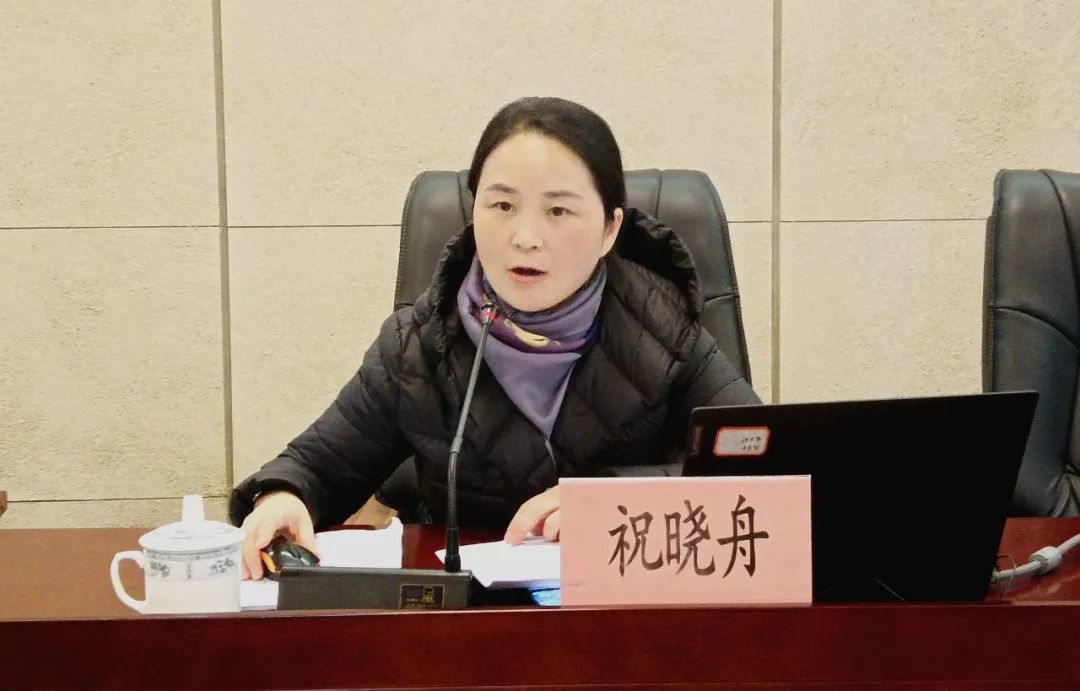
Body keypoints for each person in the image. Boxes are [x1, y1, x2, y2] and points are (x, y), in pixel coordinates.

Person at [230, 96, 760, 579]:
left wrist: (612, 501)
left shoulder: (664, 329)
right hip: (468, 620)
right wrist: (281, 497)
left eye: (558, 211)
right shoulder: (418, 345)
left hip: (626, 608)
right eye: (502, 206)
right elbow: (316, 466)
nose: (524, 238)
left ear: (609, 230)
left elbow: (765, 469)